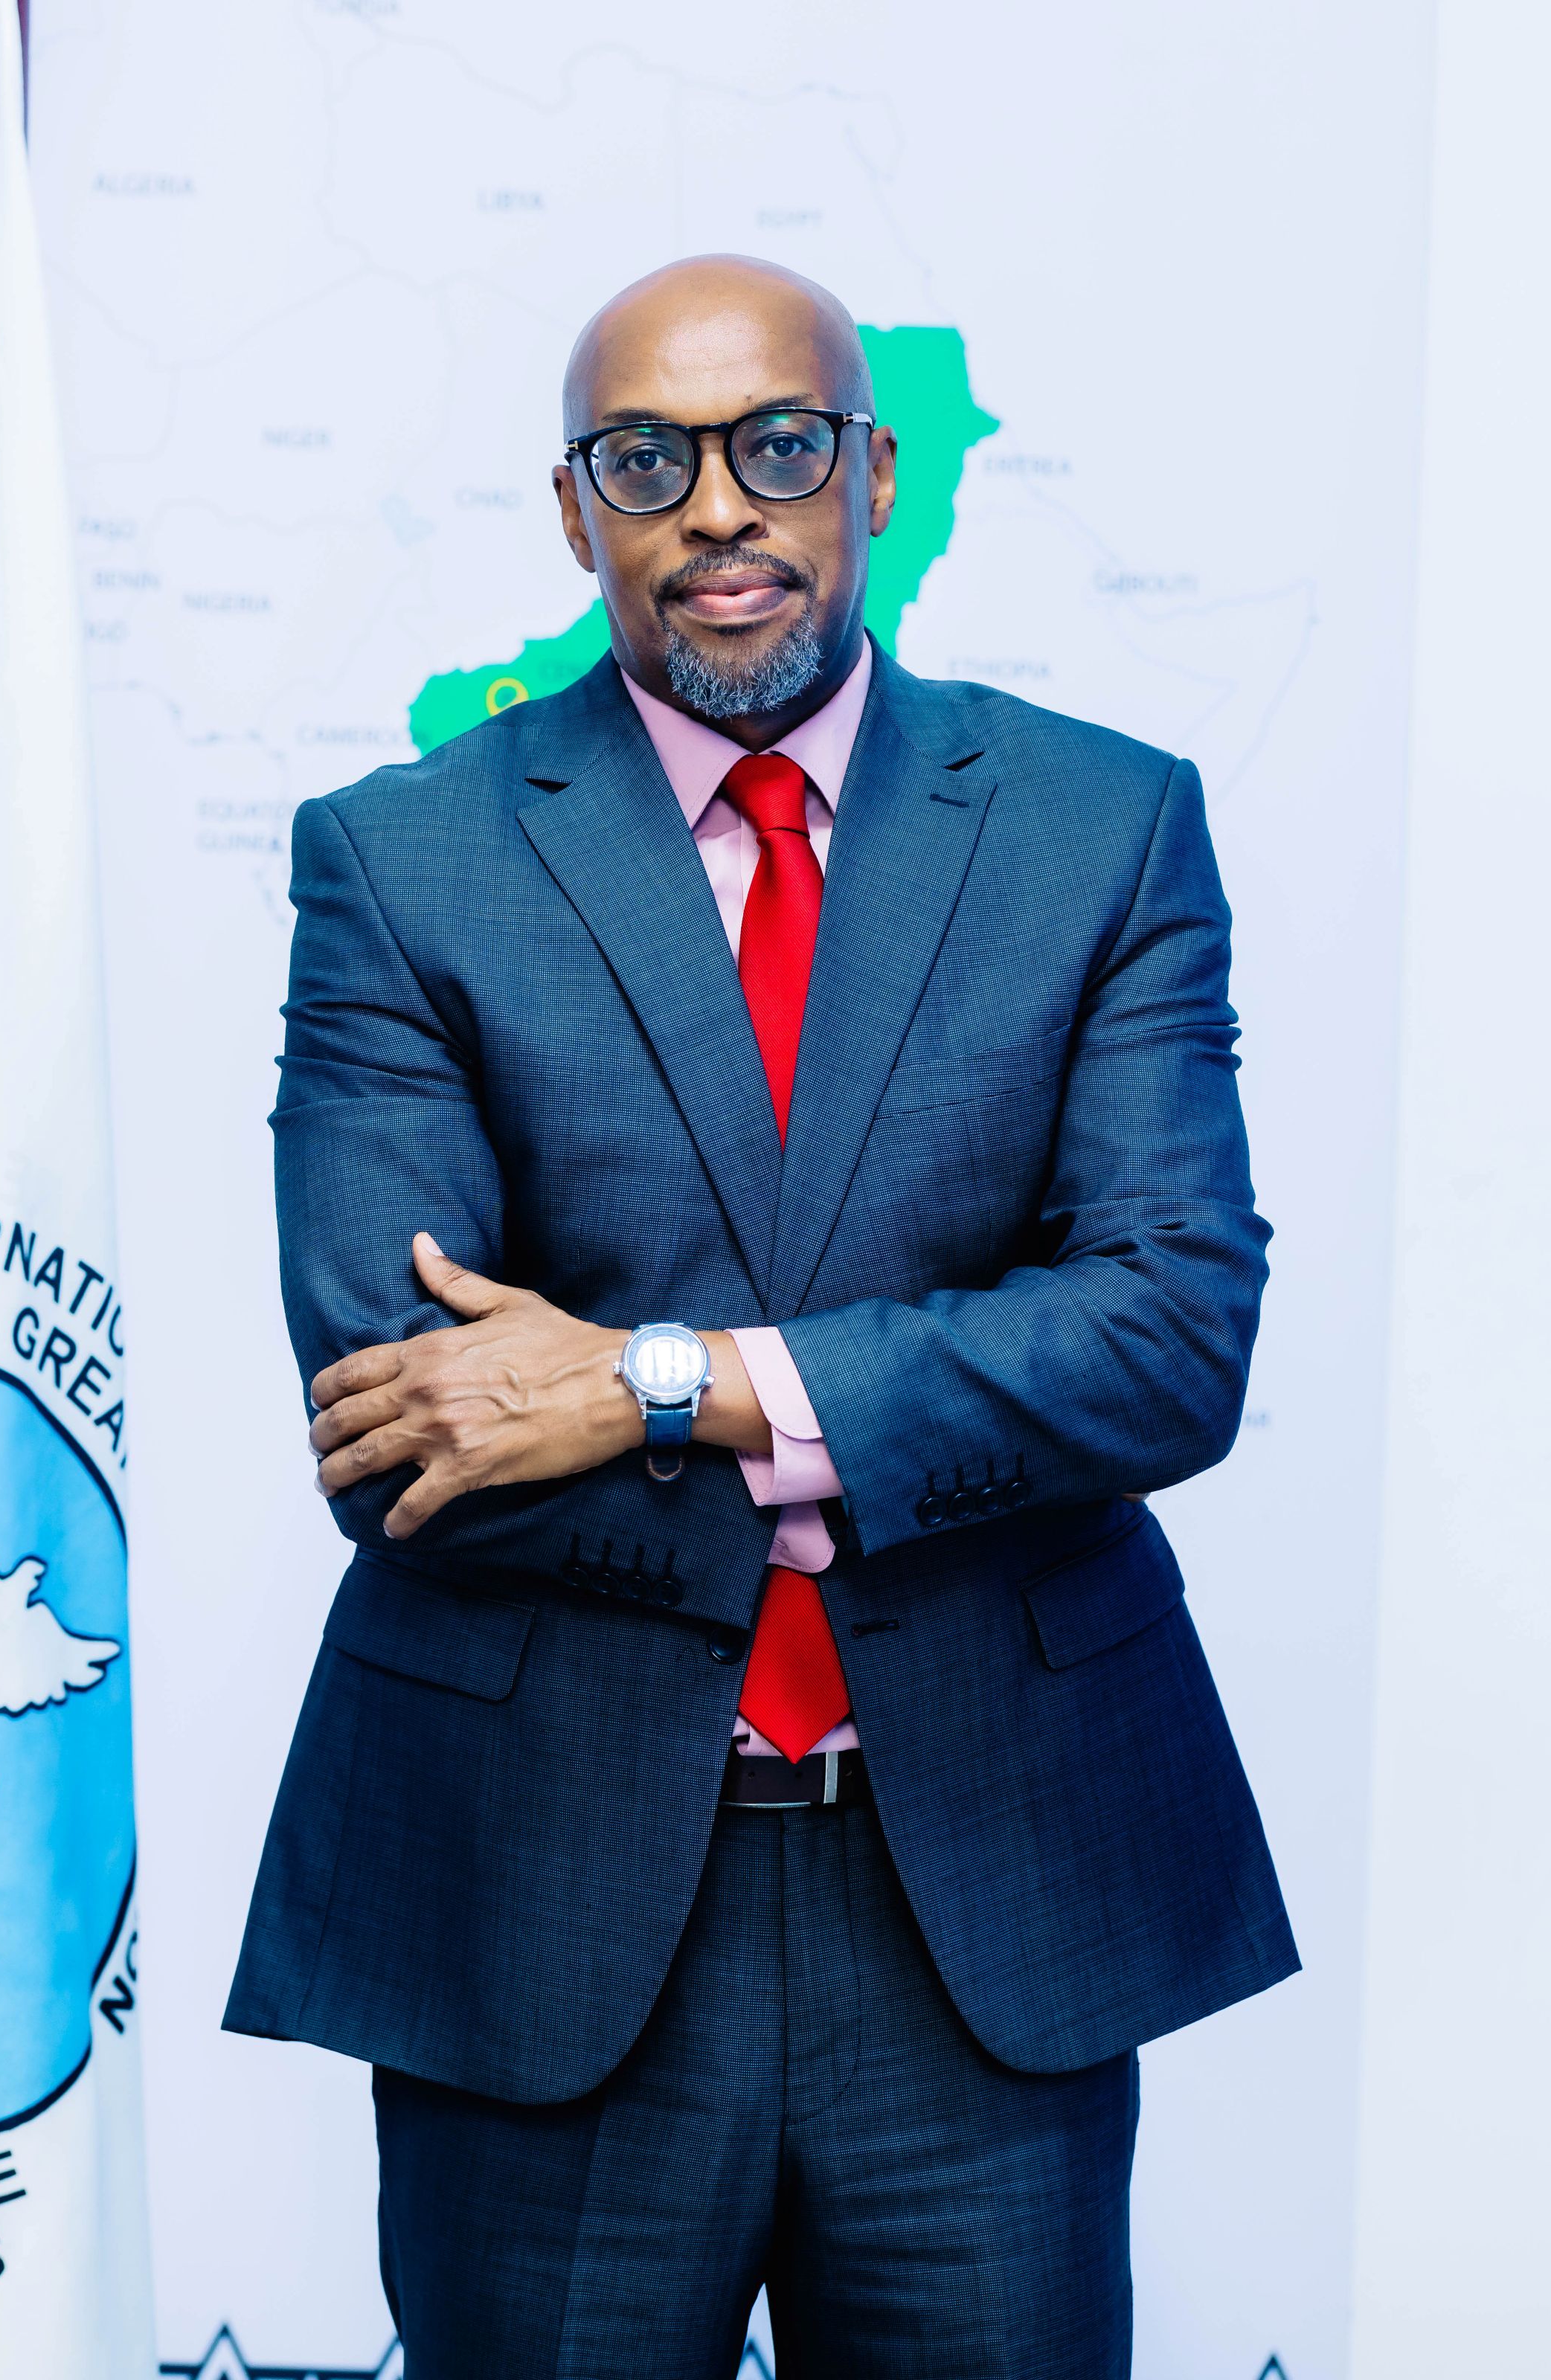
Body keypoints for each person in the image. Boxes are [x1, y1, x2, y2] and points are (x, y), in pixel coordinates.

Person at [225, 254, 1297, 2378]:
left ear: (874, 475)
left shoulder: (1101, 828)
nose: (719, 508)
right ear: (574, 513)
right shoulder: (406, 863)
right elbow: (407, 1424)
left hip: (982, 1891)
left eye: (778, 446)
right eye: (647, 460)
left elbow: (1169, 1340)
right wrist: (921, 1406)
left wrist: (658, 1383)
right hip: (548, 1894)